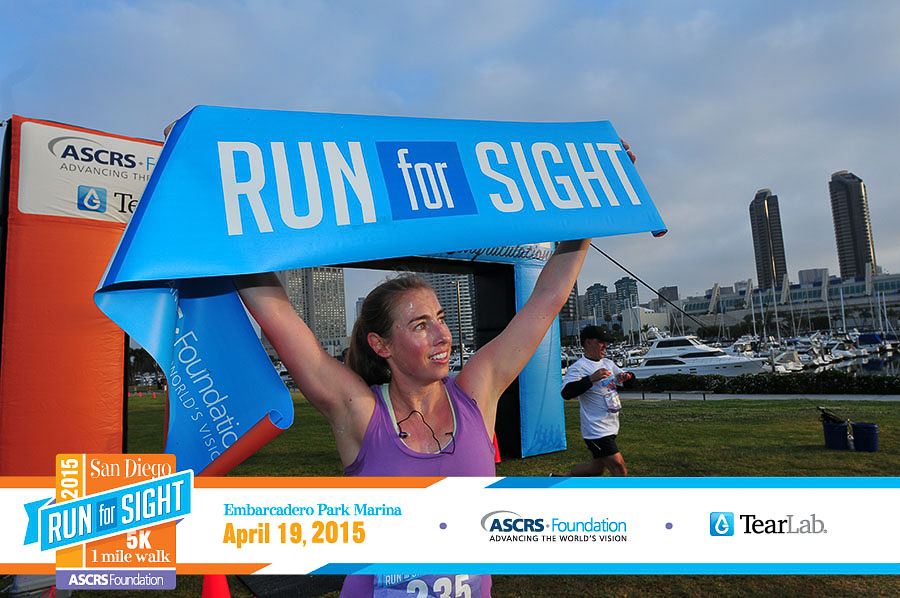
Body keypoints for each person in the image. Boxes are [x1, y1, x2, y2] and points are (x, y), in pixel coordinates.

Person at [561, 326, 634, 477]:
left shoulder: (608, 363)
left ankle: (560, 480)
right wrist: (590, 379)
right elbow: (566, 393)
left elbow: (628, 381)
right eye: (601, 342)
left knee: (595, 469)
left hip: (612, 426)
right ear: (588, 342)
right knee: (620, 469)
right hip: (596, 429)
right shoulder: (578, 368)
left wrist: (627, 377)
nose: (605, 346)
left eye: (606, 342)